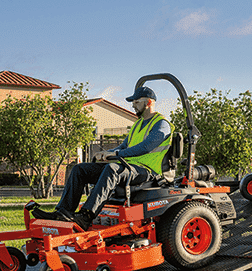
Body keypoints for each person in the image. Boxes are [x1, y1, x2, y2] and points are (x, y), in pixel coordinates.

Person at [32, 86, 172, 229]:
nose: (133, 105)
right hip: (128, 167)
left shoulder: (161, 124)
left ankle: (86, 216)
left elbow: (146, 147)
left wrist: (116, 155)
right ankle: (62, 212)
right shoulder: (138, 124)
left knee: (113, 169)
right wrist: (107, 153)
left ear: (148, 102)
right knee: (79, 169)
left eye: (136, 102)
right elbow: (123, 147)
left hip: (147, 171)